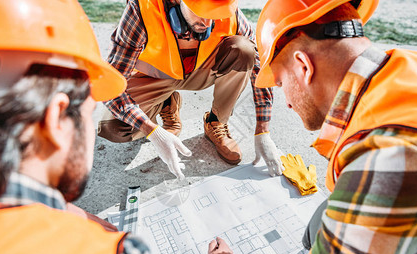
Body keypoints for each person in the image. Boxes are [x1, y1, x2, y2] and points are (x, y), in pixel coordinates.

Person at [0, 0, 240, 254]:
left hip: (192, 73)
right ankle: (163, 101)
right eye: (87, 109)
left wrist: (61, 212)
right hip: (155, 80)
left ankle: (173, 100)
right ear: (56, 119)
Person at [255, 0, 417, 254]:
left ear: (303, 66)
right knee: (322, 224)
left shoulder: (390, 152)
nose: (285, 101)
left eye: (280, 82)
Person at [97, 0, 283, 180]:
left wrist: (262, 131)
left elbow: (260, 68)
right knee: (114, 128)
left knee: (245, 50)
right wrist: (152, 130)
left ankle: (215, 122)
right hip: (154, 77)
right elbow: (111, 84)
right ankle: (165, 102)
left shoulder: (227, 11)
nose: (208, 24)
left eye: (215, 16)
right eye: (202, 14)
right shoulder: (142, 10)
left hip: (199, 72)